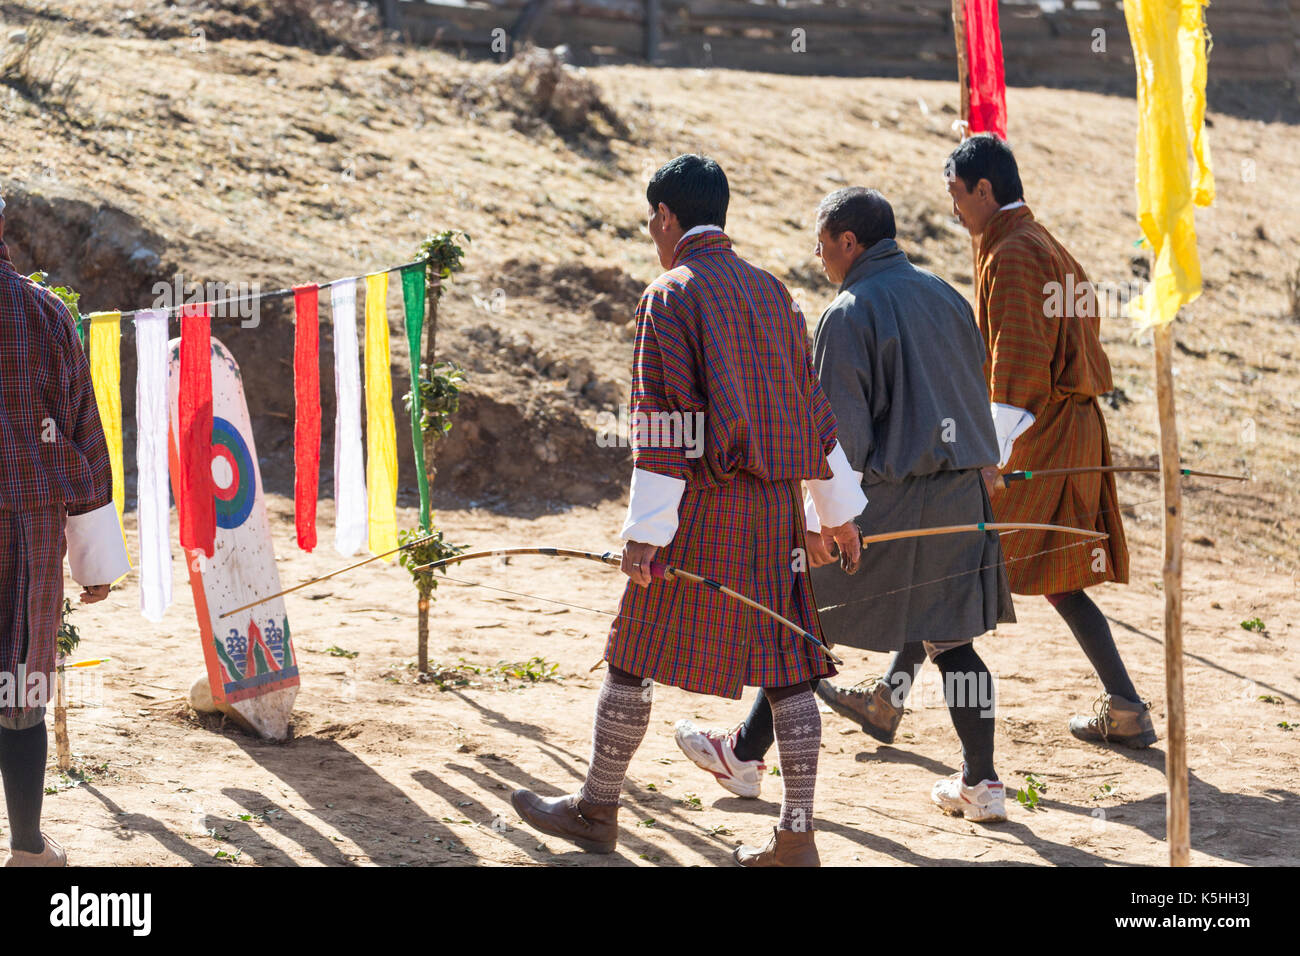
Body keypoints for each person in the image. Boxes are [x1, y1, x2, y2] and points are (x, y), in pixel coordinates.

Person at [508, 155, 866, 867]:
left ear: (667, 218)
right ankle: (796, 834)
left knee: (630, 653)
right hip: (776, 515)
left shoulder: (669, 295)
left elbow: (664, 426)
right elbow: (812, 414)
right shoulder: (776, 294)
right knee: (790, 664)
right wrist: (836, 512)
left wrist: (646, 533)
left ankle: (596, 808)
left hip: (703, 508)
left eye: (652, 219)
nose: (650, 232)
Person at [675, 188, 1015, 822]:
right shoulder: (947, 294)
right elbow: (977, 396)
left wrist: (823, 521)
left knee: (802, 623)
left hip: (887, 501)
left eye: (822, 241)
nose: (818, 254)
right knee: (952, 641)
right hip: (962, 493)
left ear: (849, 242)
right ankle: (982, 782)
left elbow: (838, 437)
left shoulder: (849, 311)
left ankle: (744, 755)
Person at [944, 133, 1154, 748]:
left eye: (958, 196)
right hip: (1065, 429)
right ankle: (1125, 707)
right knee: (1054, 573)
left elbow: (1020, 364)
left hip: (1038, 431)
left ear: (985, 190)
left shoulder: (1014, 254)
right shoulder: (1036, 241)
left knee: (954, 554)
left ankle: (889, 696)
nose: (955, 211)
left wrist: (991, 455)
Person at [0, 193, 129, 866]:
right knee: (19, 681)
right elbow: (84, 433)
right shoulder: (47, 314)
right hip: (30, 524)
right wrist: (96, 560)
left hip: (30, 516)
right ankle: (26, 849)